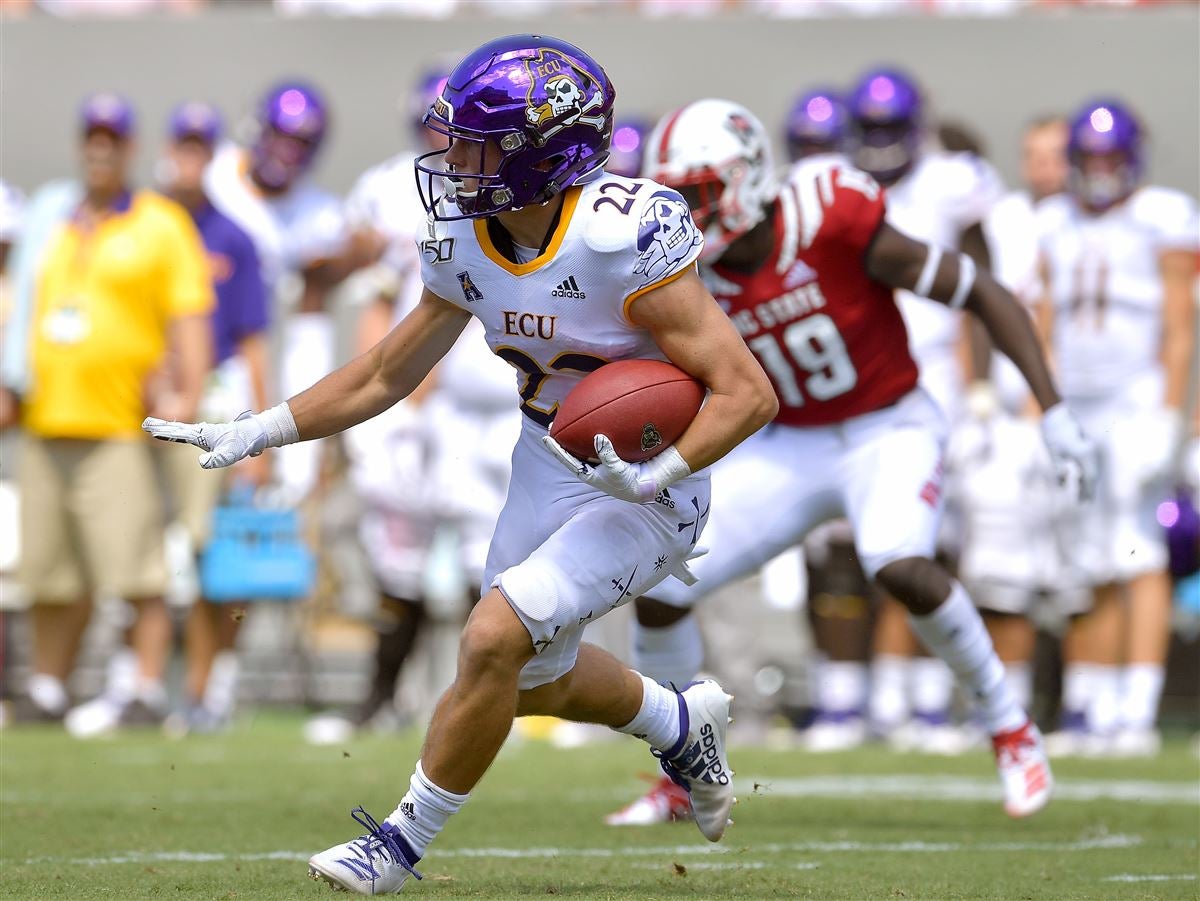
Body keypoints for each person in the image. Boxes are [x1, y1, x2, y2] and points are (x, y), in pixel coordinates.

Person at [144, 35, 777, 893]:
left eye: (478, 144)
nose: (453, 159)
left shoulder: (621, 235)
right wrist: (262, 428)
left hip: (649, 479)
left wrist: (659, 474)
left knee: (491, 635)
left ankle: (396, 844)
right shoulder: (463, 237)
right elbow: (384, 371)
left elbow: (747, 393)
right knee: (526, 677)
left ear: (545, 155)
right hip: (544, 457)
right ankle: (676, 720)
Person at [608, 97, 1097, 824]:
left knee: (897, 561)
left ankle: (1009, 724)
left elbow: (983, 292)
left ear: (747, 180)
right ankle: (684, 775)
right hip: (789, 443)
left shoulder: (830, 215)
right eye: (676, 197)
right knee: (661, 580)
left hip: (887, 425)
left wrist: (1051, 408)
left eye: (699, 194)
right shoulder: (681, 272)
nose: (686, 212)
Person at [305, 68, 521, 743]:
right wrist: (383, 401)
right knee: (397, 556)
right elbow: (376, 296)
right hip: (419, 398)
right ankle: (384, 696)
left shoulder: (515, 185)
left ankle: (484, 702)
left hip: (490, 392)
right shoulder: (390, 189)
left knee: (490, 562)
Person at [5, 95, 213, 727]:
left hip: (121, 425)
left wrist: (188, 400)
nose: (100, 147)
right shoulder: (52, 217)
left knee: (137, 568)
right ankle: (48, 685)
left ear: (129, 147)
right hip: (47, 420)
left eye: (112, 137)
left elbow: (189, 317)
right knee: (50, 572)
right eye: (91, 135)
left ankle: (146, 687)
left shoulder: (159, 223)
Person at [848, 69, 1006, 747]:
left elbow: (982, 285)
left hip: (938, 371)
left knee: (944, 544)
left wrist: (983, 386)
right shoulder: (838, 184)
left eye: (892, 130)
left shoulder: (951, 181)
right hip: (868, 373)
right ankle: (889, 693)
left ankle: (937, 697)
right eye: (872, 131)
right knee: (887, 540)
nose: (882, 145)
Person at [1037, 99, 1197, 757]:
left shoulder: (1163, 213)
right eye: (1090, 158)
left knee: (1137, 548)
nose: (1100, 171)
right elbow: (1043, 324)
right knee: (1084, 552)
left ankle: (1135, 703)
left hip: (1134, 399)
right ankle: (1092, 700)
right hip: (1078, 402)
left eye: (1111, 157)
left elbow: (1180, 324)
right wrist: (1040, 406)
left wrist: (1169, 409)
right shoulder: (1053, 219)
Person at [153, 101, 271, 733]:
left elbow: (253, 340)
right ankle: (151, 686)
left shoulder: (232, 237)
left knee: (213, 556)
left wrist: (264, 437)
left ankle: (208, 688)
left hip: (215, 403)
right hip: (148, 403)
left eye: (202, 147)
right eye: (183, 145)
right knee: (159, 559)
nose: (190, 158)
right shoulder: (147, 226)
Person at [204, 80, 375, 503]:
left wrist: (354, 252)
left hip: (268, 345)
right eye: (281, 136)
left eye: (301, 142)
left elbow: (351, 251)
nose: (287, 151)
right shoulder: (218, 174)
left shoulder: (319, 213)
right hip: (208, 338)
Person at [784, 87, 849, 165]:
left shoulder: (853, 176)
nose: (812, 156)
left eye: (822, 147)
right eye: (805, 145)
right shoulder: (788, 175)